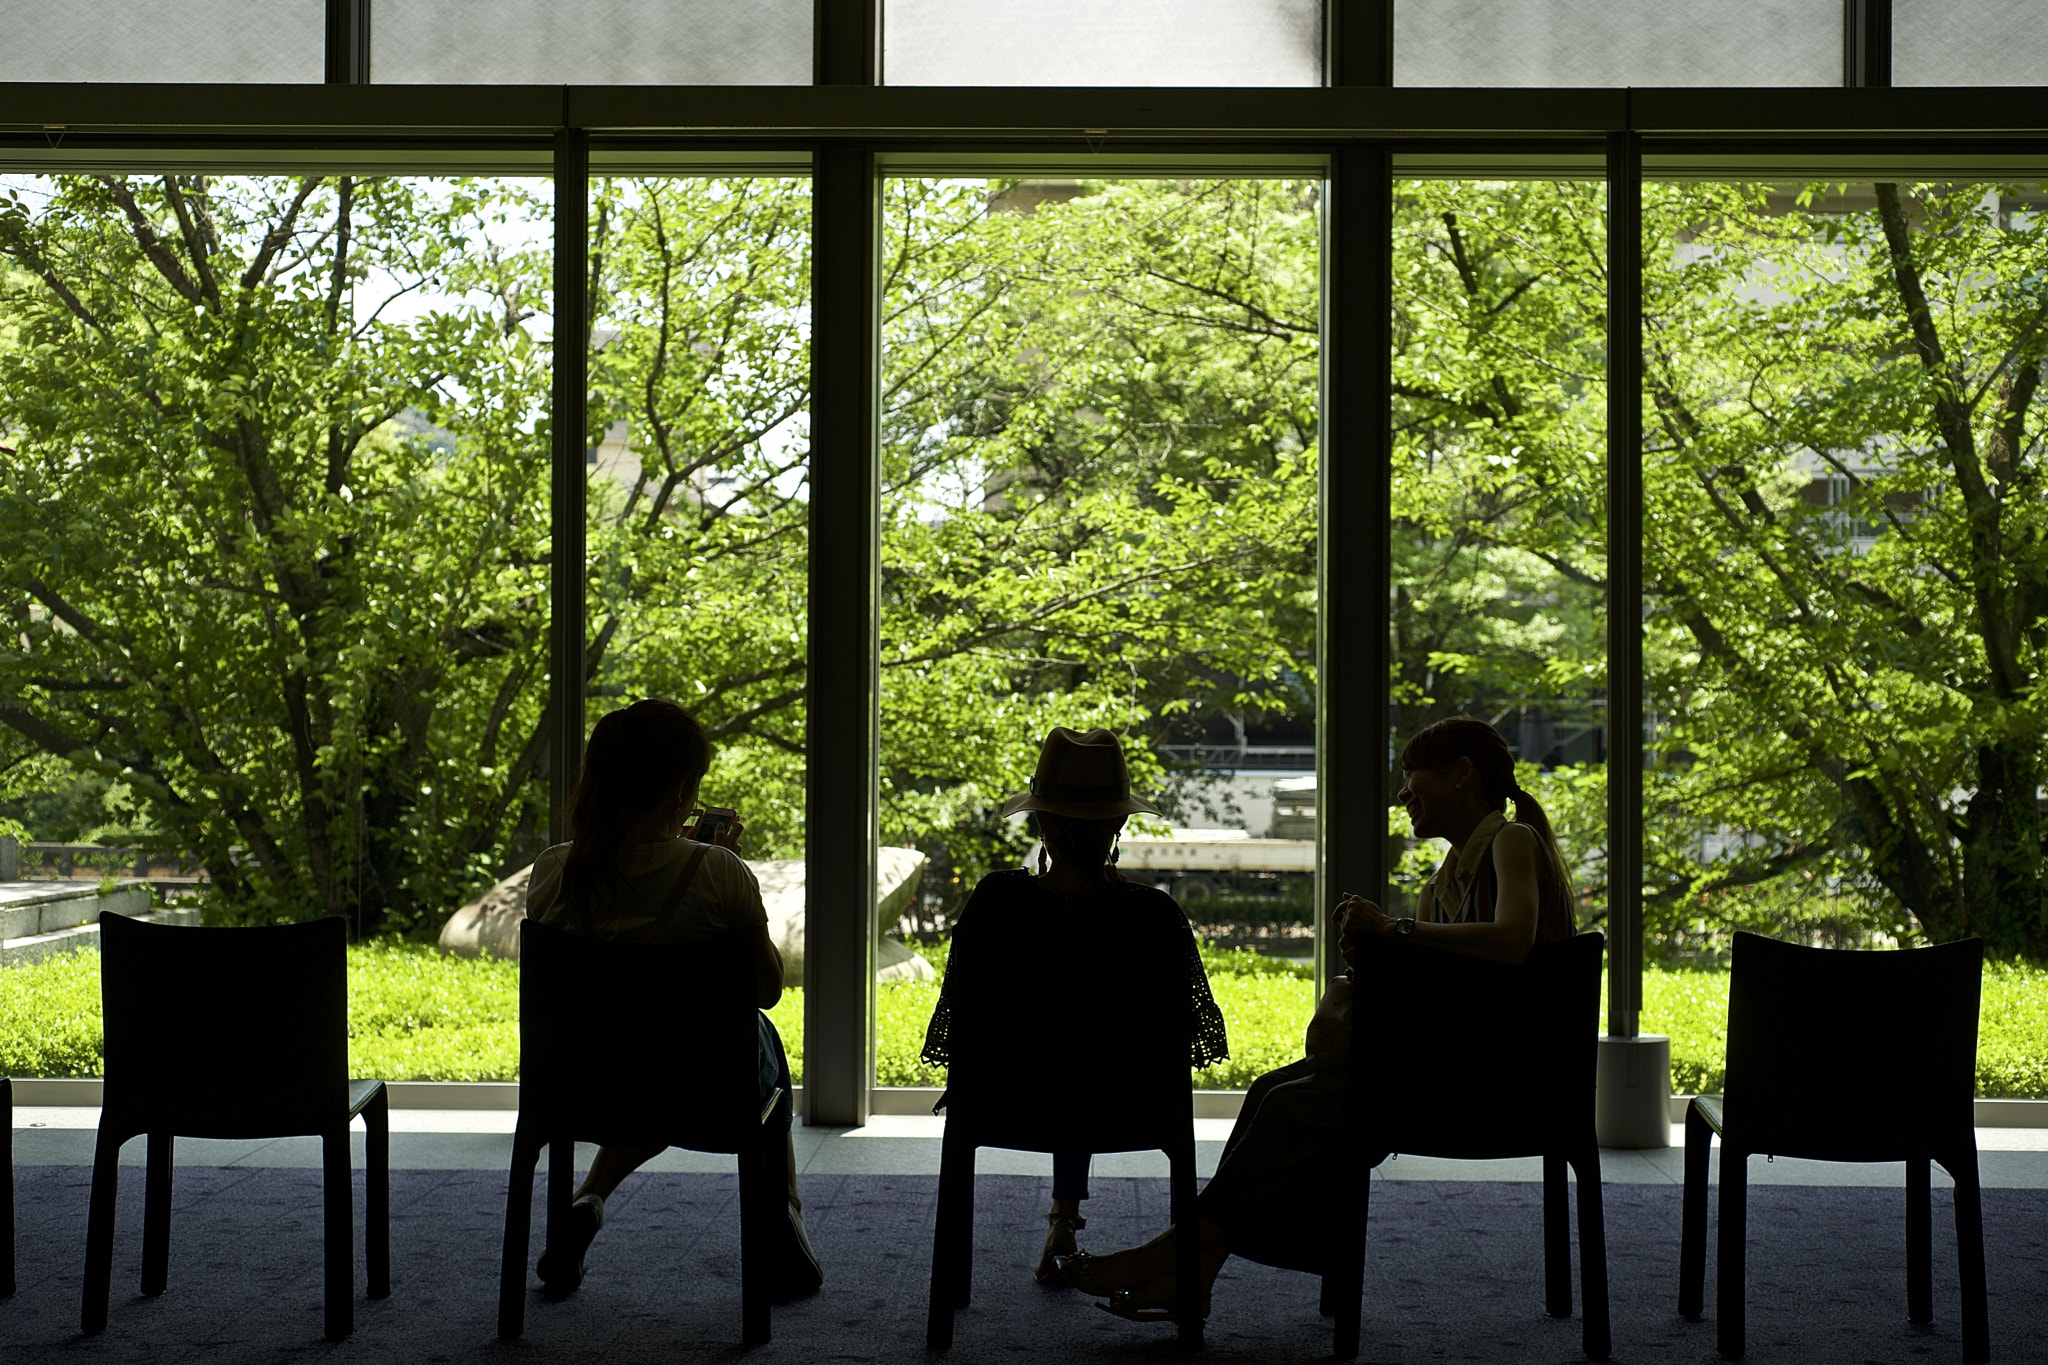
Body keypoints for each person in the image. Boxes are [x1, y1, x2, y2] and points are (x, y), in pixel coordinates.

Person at [1056, 714, 1574, 1322]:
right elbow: (1443, 991)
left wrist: (1397, 931)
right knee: (1270, 1088)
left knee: (1287, 1105)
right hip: (1447, 1063)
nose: (1404, 795)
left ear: (1462, 776)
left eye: (1414, 779)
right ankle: (1196, 1266)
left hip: (1496, 1079)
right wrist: (1378, 958)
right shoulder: (1441, 886)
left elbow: (1515, 941)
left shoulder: (1511, 842)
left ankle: (1173, 1256)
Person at [521, 698, 821, 1300]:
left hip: (584, 1086)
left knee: (640, 1062)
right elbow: (767, 989)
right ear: (683, 789)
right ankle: (783, 1207)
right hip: (702, 1087)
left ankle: (587, 1198)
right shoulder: (717, 873)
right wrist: (725, 867)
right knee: (761, 1040)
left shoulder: (553, 871)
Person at [921, 726, 1229, 1284]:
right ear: (1120, 823)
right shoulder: (1154, 918)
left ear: (1041, 821)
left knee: (1062, 1050)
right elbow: (1184, 1033)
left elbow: (961, 1022)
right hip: (1128, 1107)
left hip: (1006, 1103)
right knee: (1084, 1054)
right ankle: (1075, 1219)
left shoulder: (996, 904)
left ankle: (1051, 1224)